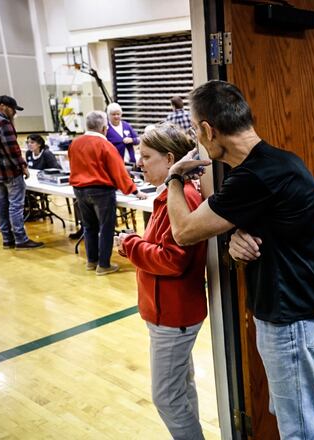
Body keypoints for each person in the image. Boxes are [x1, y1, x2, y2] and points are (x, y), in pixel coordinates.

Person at [165, 80, 314, 439]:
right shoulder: (278, 163)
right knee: (294, 416)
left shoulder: (255, 177)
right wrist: (233, 238)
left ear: (209, 130)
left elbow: (182, 231)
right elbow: (271, 226)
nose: (197, 139)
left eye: (196, 130)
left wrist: (174, 177)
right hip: (296, 310)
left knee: (302, 430)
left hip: (290, 317)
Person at [116, 123, 208, 439]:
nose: (139, 162)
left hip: (172, 315)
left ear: (170, 159)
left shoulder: (181, 197)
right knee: (181, 386)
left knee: (166, 397)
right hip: (169, 312)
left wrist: (130, 244)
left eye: (146, 156)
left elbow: (172, 259)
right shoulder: (175, 194)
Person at [69, 111, 148, 275]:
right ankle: (104, 265)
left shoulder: (75, 143)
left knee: (89, 226)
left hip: (79, 190)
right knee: (106, 227)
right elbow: (118, 171)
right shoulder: (105, 145)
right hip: (101, 191)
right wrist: (134, 191)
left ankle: (92, 261)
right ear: (104, 128)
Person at [0, 96, 43, 249]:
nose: (14, 113)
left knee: (1, 205)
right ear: (4, 106)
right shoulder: (3, 123)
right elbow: (12, 150)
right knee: (15, 206)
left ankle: (7, 238)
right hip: (10, 172)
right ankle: (20, 239)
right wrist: (23, 166)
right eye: (13, 109)